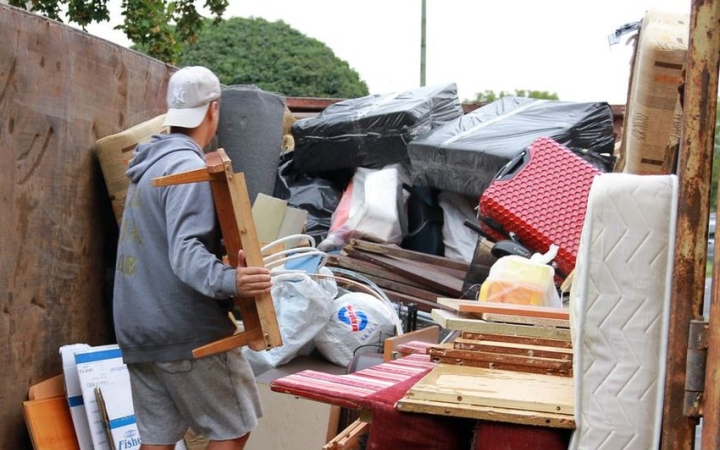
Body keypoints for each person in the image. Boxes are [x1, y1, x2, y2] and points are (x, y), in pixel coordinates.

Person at [113, 66, 272, 450]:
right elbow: (185, 254)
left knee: (157, 437)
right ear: (214, 109)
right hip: (184, 329)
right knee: (234, 425)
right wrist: (232, 281)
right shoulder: (189, 169)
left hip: (137, 328)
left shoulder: (146, 168)